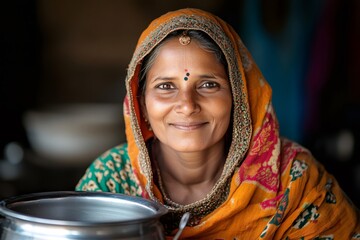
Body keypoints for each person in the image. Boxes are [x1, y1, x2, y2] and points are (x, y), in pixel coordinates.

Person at [76, 8, 360, 239]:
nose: (187, 105)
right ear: (141, 106)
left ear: (239, 97)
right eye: (166, 86)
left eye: (209, 84)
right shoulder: (110, 184)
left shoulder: (294, 182)